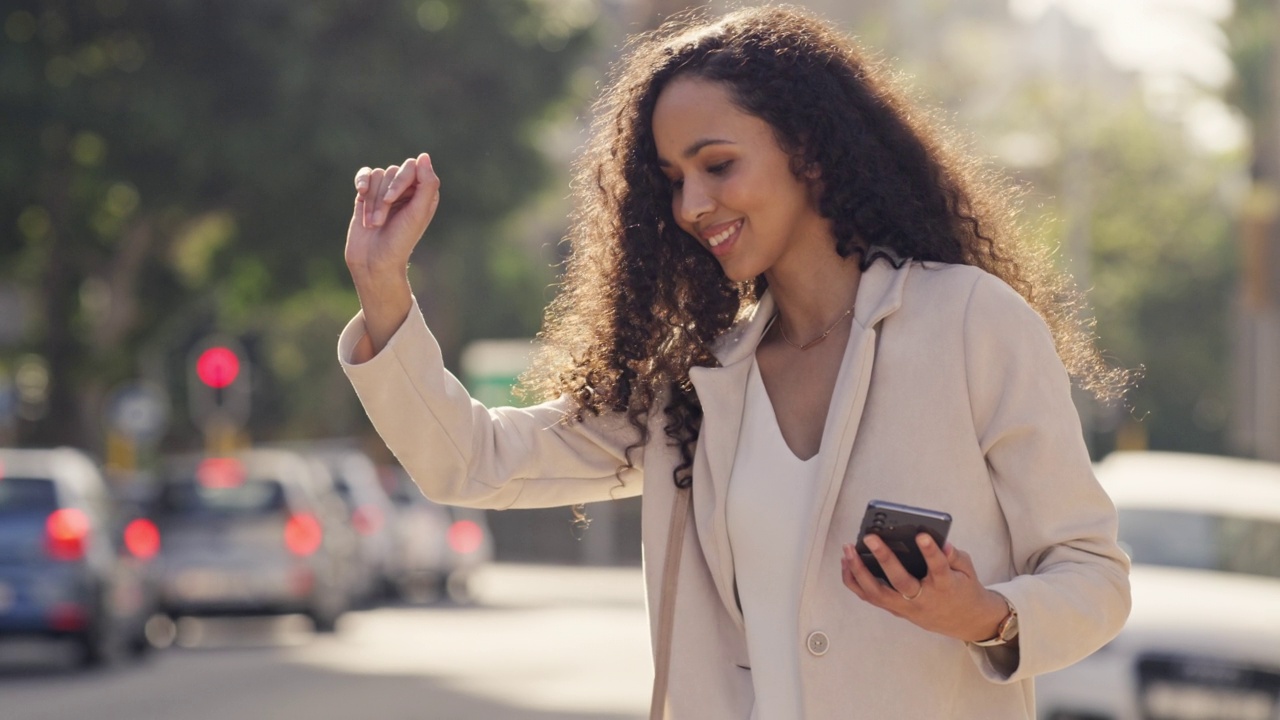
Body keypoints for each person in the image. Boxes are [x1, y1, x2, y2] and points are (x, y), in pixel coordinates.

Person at [338, 6, 1131, 719]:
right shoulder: (699, 384)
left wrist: (984, 614)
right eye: (674, 180)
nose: (690, 206)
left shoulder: (970, 323)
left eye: (717, 165)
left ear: (810, 152)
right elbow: (474, 463)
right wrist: (382, 286)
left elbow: (1094, 575)